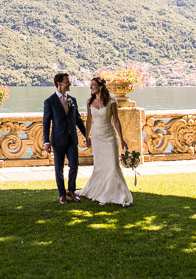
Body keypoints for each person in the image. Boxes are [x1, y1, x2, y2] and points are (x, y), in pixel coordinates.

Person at [76, 76, 133, 206]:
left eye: (93, 85)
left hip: (110, 137)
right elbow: (89, 120)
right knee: (100, 166)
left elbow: (116, 121)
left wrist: (122, 139)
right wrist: (86, 136)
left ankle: (117, 195)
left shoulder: (112, 102)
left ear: (100, 87)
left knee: (113, 165)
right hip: (97, 137)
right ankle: (100, 192)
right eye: (90, 85)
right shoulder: (89, 102)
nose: (91, 88)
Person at [43, 72, 88, 204]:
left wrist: (87, 135)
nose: (69, 83)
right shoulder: (49, 101)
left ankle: (71, 191)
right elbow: (46, 123)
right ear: (59, 83)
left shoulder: (72, 100)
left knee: (74, 165)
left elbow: (78, 120)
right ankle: (62, 194)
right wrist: (46, 142)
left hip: (72, 139)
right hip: (57, 140)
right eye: (67, 81)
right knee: (59, 168)